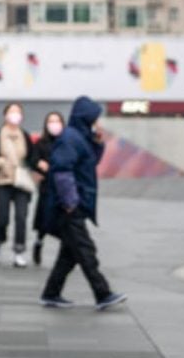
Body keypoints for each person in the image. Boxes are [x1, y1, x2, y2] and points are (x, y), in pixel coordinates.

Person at [39, 96, 127, 311]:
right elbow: (61, 170)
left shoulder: (80, 138)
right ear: (86, 117)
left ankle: (51, 293)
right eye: (95, 118)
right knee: (86, 250)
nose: (98, 122)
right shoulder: (70, 138)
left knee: (69, 254)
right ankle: (102, 293)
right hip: (69, 207)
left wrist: (97, 144)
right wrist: (70, 202)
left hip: (75, 204)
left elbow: (88, 164)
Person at [0, 103, 35, 267]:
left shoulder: (25, 136)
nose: (15, 115)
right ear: (5, 115)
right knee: (2, 218)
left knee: (21, 217)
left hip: (21, 182)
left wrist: (33, 165)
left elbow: (33, 157)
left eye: (18, 112)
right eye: (12, 112)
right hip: (2, 181)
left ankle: (19, 251)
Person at [29, 111, 65, 266]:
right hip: (47, 187)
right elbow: (33, 159)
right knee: (44, 220)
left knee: (64, 221)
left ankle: (66, 250)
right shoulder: (41, 143)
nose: (54, 124)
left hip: (63, 187)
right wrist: (39, 165)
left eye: (57, 121)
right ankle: (38, 242)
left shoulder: (66, 142)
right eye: (51, 121)